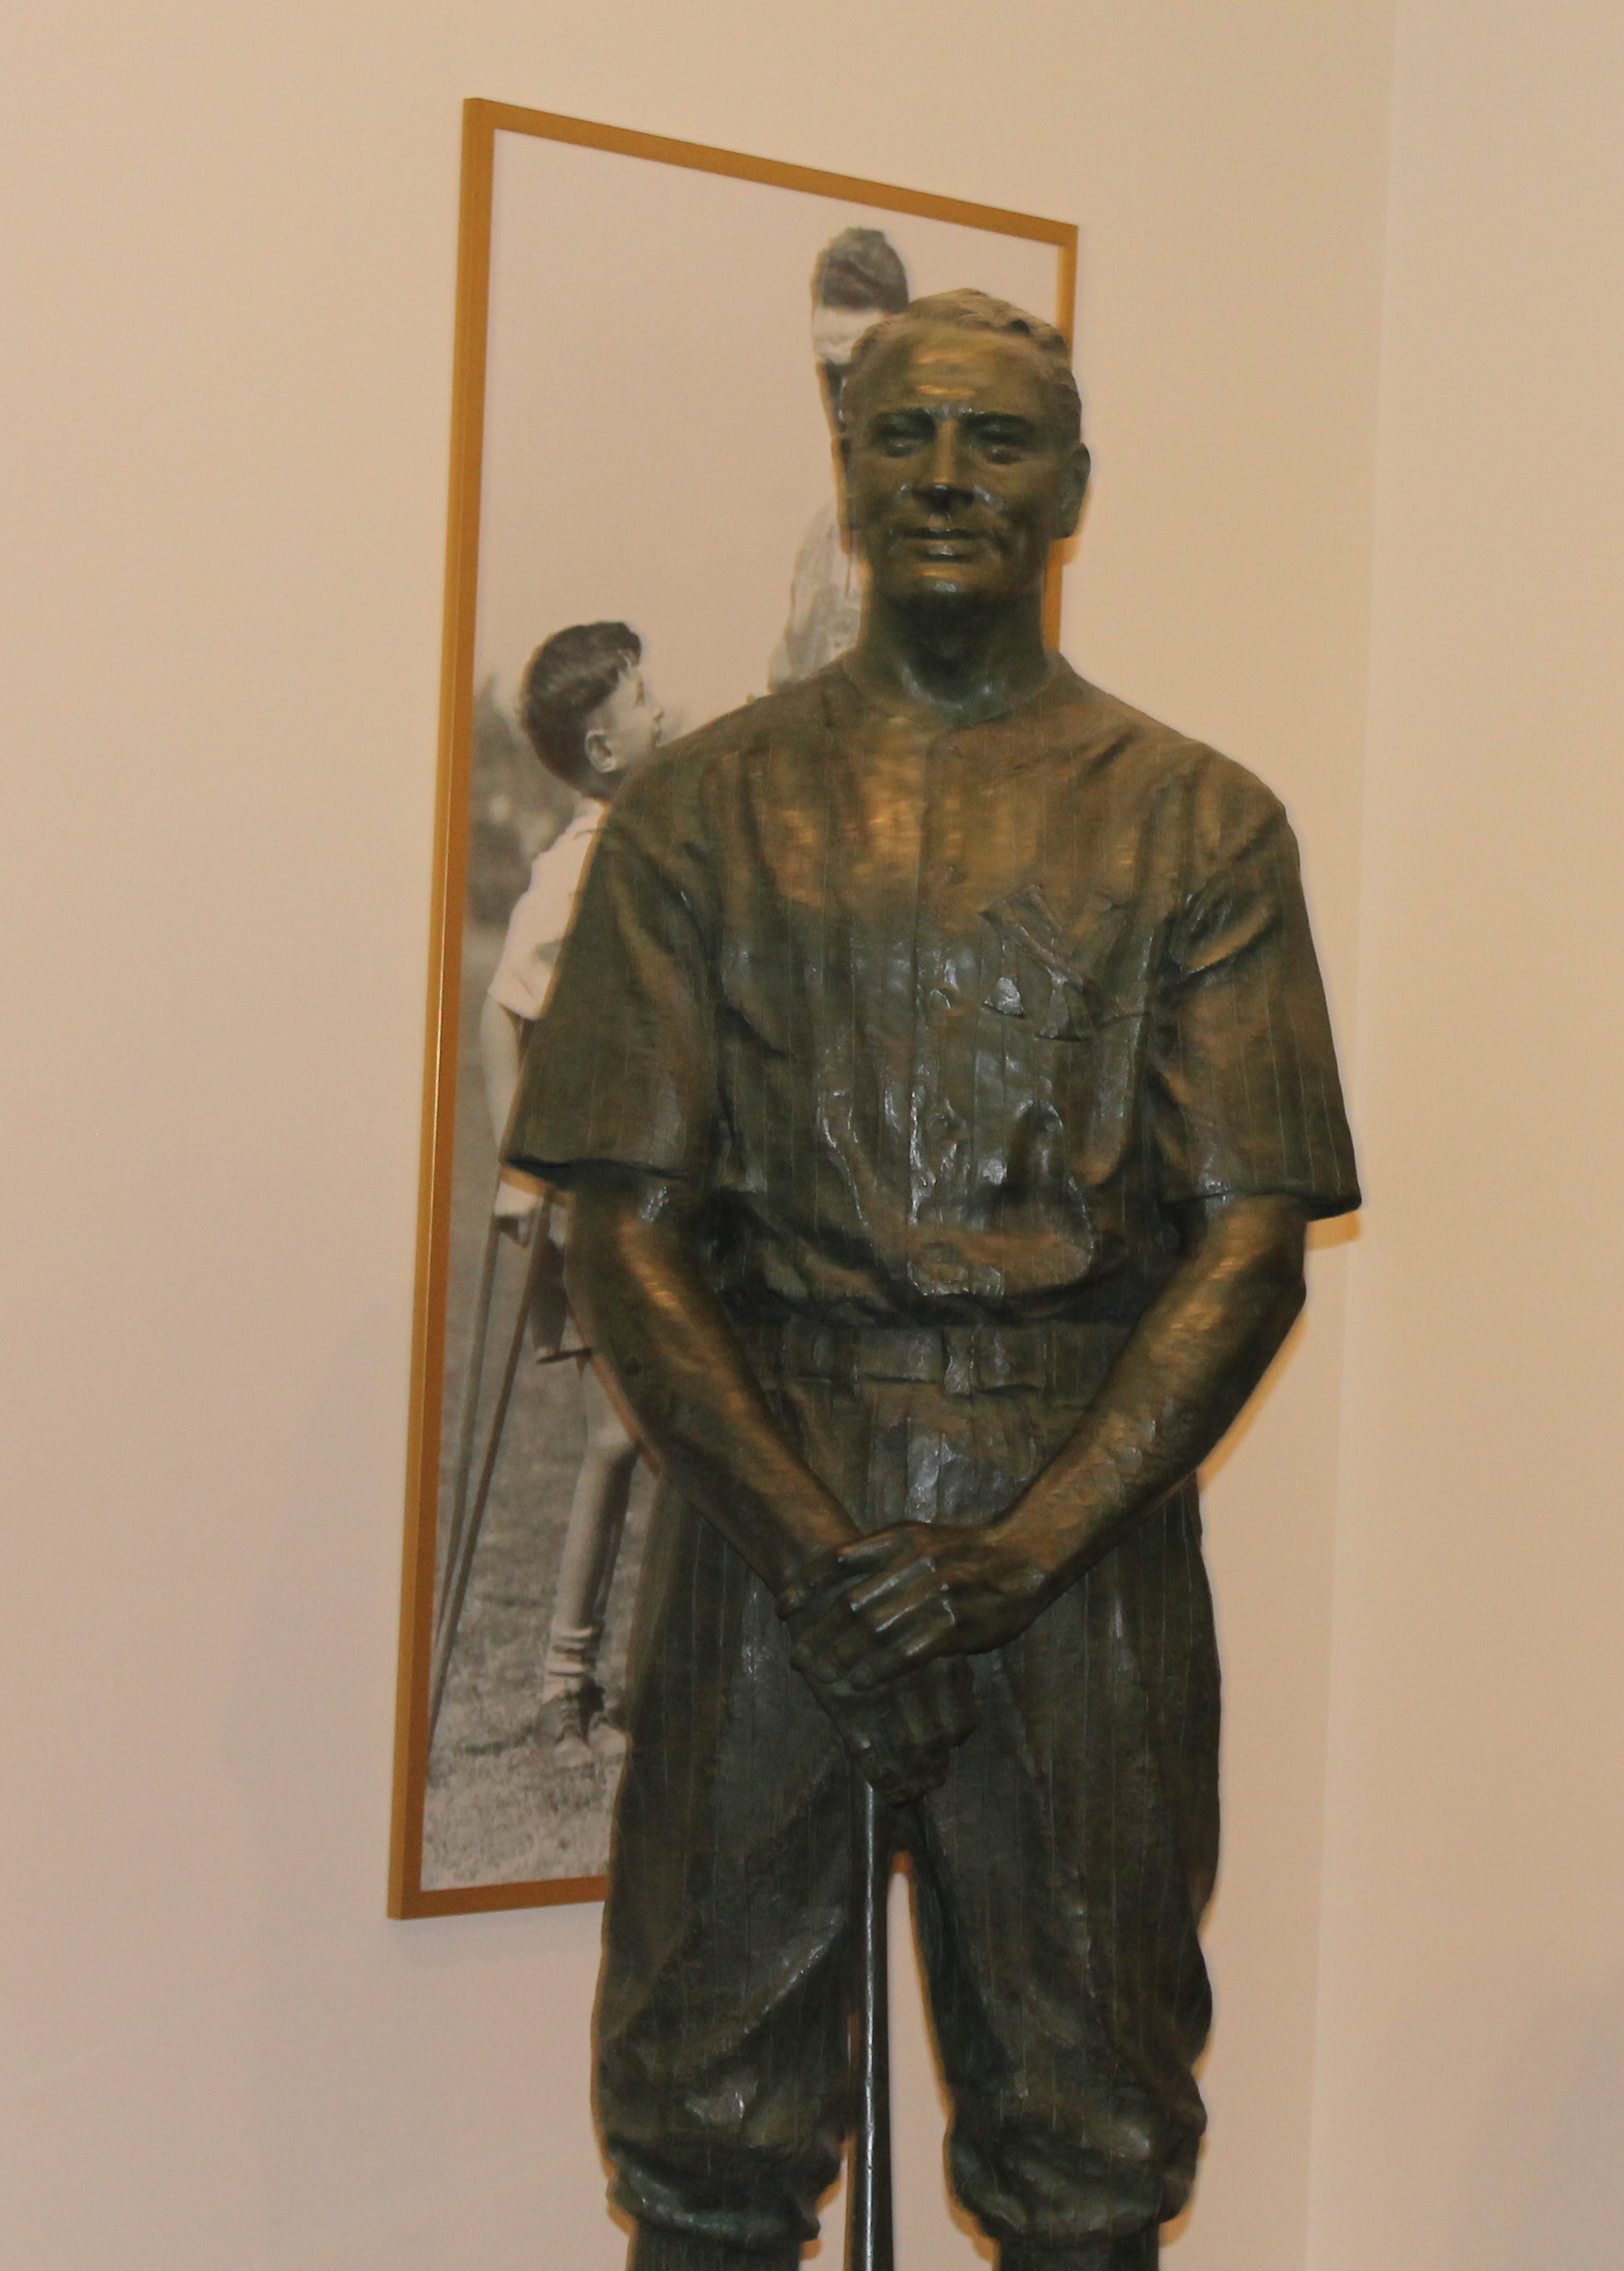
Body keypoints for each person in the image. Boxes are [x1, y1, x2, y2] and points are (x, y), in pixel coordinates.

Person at [507, 290, 1356, 2271]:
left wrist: (1026, 1547)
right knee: (706, 2130)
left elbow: (1250, 1237)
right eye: (905, 437)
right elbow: (623, 1224)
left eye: (997, 438)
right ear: (849, 473)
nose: (950, 477)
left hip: (1078, 1524)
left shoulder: (1197, 818)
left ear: (1073, 484)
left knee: (1090, 2136)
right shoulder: (699, 815)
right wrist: (817, 1548)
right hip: (764, 1506)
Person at [477, 620, 677, 1765]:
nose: (663, 710)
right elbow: (500, 1013)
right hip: (599, 1197)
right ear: (603, 747)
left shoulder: (654, 837)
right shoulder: (577, 867)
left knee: (643, 1436)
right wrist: (518, 1176)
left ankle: (624, 1685)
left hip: (663, 1190)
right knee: (624, 1436)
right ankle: (570, 1691)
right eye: (643, 701)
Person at [762, 226, 912, 691]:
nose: (844, 399)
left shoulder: (949, 526)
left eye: (860, 367)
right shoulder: (821, 540)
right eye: (830, 373)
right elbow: (787, 693)